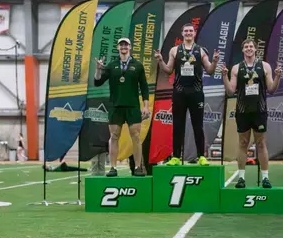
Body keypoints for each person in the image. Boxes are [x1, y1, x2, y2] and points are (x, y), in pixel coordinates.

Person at [154, 23, 220, 166]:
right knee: (178, 125)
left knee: (198, 125)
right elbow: (168, 70)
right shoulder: (174, 50)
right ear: (182, 33)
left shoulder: (200, 51)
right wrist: (160, 60)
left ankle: (201, 156)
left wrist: (214, 61)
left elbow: (210, 70)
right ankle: (176, 157)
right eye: (186, 31)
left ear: (194, 33)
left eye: (191, 31)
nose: (189, 33)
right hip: (179, 93)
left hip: (196, 93)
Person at [222, 39, 282, 188]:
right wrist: (224, 76)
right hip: (242, 111)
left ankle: (265, 179)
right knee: (243, 143)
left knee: (261, 144)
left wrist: (278, 77)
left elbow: (271, 89)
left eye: (251, 47)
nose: (248, 49)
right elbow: (230, 91)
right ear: (243, 50)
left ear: (256, 50)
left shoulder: (264, 66)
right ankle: (241, 178)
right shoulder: (236, 68)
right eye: (246, 47)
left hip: (259, 111)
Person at [94, 37, 150, 177]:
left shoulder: (137, 65)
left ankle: (138, 167)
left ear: (130, 47)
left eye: (126, 45)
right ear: (118, 48)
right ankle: (113, 168)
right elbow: (98, 82)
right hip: (115, 106)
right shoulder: (112, 65)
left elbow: (144, 87)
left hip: (132, 106)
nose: (124, 47)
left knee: (136, 136)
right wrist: (98, 70)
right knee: (114, 136)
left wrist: (146, 106)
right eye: (121, 45)